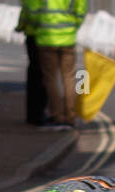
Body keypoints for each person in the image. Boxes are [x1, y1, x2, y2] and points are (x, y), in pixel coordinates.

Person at [23, 0, 87, 131]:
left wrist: (38, 25)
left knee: (51, 79)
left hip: (46, 36)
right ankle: (70, 115)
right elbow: (81, 11)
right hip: (68, 36)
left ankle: (56, 115)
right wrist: (73, 26)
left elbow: (32, 11)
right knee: (69, 77)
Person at [15, 5, 48, 127]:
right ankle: (40, 113)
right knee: (44, 75)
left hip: (33, 34)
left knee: (34, 74)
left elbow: (27, 10)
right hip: (45, 34)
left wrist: (21, 26)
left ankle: (33, 114)